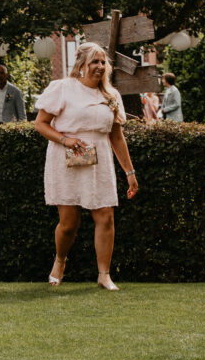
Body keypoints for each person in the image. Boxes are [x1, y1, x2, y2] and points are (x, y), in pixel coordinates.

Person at [33, 42, 139, 291]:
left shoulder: (111, 96)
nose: (100, 66)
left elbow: (116, 136)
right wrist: (66, 140)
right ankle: (60, 260)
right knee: (69, 223)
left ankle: (104, 275)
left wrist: (130, 172)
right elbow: (41, 124)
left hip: (100, 159)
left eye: (103, 62)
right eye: (95, 61)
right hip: (66, 158)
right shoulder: (63, 88)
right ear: (81, 65)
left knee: (106, 216)